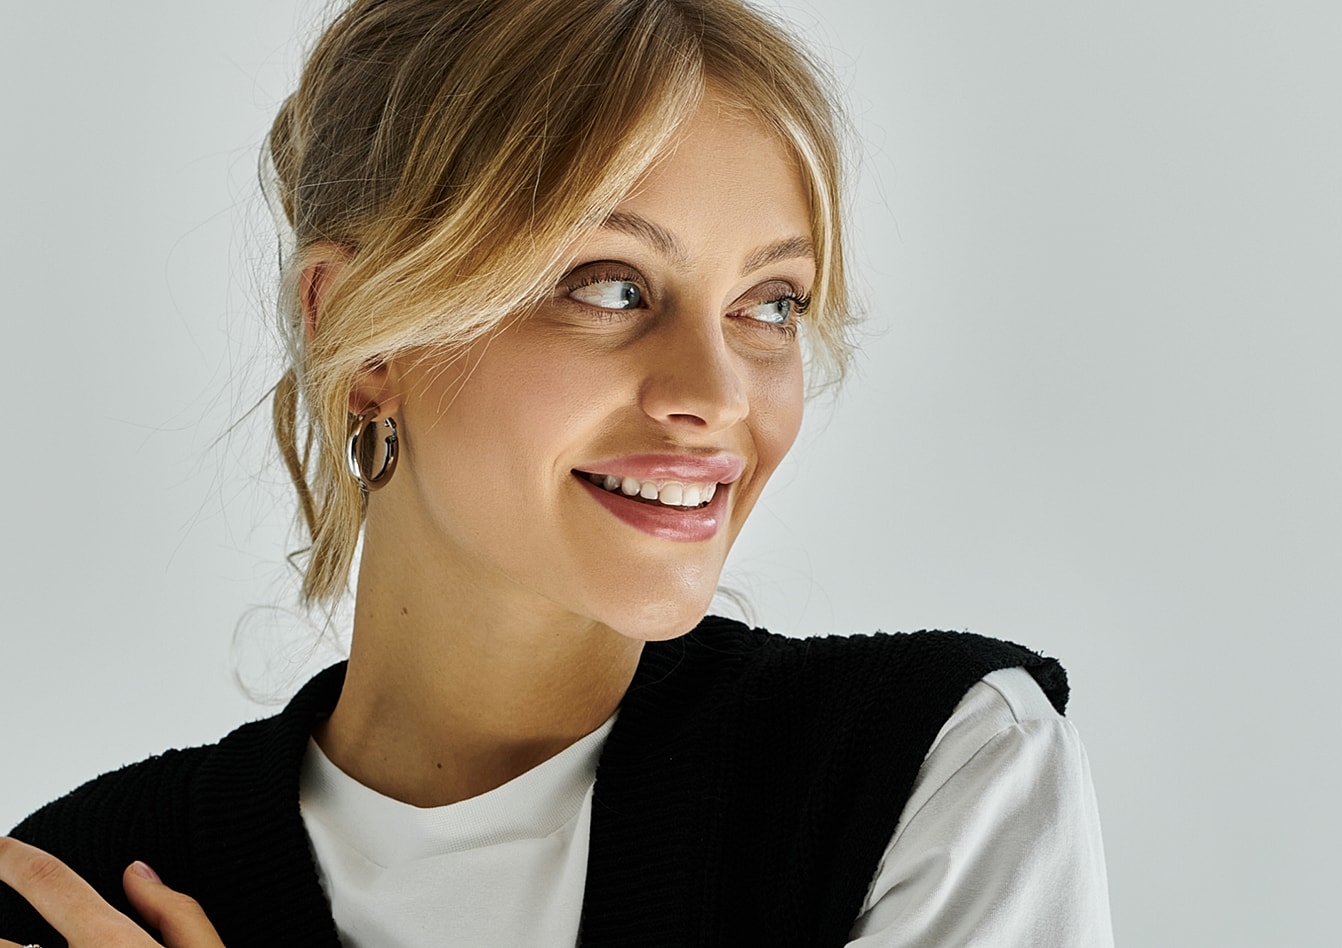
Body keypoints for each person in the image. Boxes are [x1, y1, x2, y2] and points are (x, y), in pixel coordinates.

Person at [0, 0, 1113, 945]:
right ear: (364, 333)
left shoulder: (930, 767)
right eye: (609, 285)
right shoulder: (78, 887)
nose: (718, 394)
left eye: (772, 304)